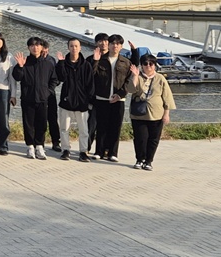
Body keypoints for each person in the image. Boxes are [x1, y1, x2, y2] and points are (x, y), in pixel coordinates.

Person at [126, 52, 176, 171]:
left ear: (155, 65)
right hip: (139, 114)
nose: (148, 66)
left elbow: (167, 96)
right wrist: (134, 76)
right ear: (141, 65)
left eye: (151, 64)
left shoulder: (160, 78)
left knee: (154, 139)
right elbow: (131, 90)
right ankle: (139, 159)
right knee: (140, 138)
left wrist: (166, 113)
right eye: (145, 63)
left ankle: (148, 161)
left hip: (156, 114)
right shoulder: (137, 76)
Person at [13, 37, 59, 160]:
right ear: (28, 48)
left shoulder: (47, 63)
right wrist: (20, 67)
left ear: (42, 47)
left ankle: (39, 146)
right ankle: (30, 147)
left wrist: (48, 92)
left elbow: (54, 79)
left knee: (42, 123)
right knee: (28, 124)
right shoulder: (25, 61)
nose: (35, 47)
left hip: (43, 98)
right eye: (32, 45)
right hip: (28, 98)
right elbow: (17, 77)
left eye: (38, 45)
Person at [90, 33, 131, 162]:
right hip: (102, 98)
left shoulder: (126, 62)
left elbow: (129, 81)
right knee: (101, 126)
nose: (115, 46)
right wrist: (95, 61)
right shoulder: (100, 59)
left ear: (121, 46)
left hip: (118, 99)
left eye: (118, 44)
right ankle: (99, 151)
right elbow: (91, 76)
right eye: (113, 43)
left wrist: (120, 95)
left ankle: (113, 153)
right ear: (109, 44)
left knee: (115, 127)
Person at [55, 37, 94, 162]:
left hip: (82, 103)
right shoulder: (63, 63)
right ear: (68, 47)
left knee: (84, 130)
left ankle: (83, 151)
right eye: (71, 46)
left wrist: (89, 100)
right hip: (66, 102)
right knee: (64, 128)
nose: (74, 48)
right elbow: (61, 78)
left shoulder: (86, 65)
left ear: (80, 48)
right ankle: (65, 150)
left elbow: (90, 84)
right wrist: (60, 63)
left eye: (76, 46)